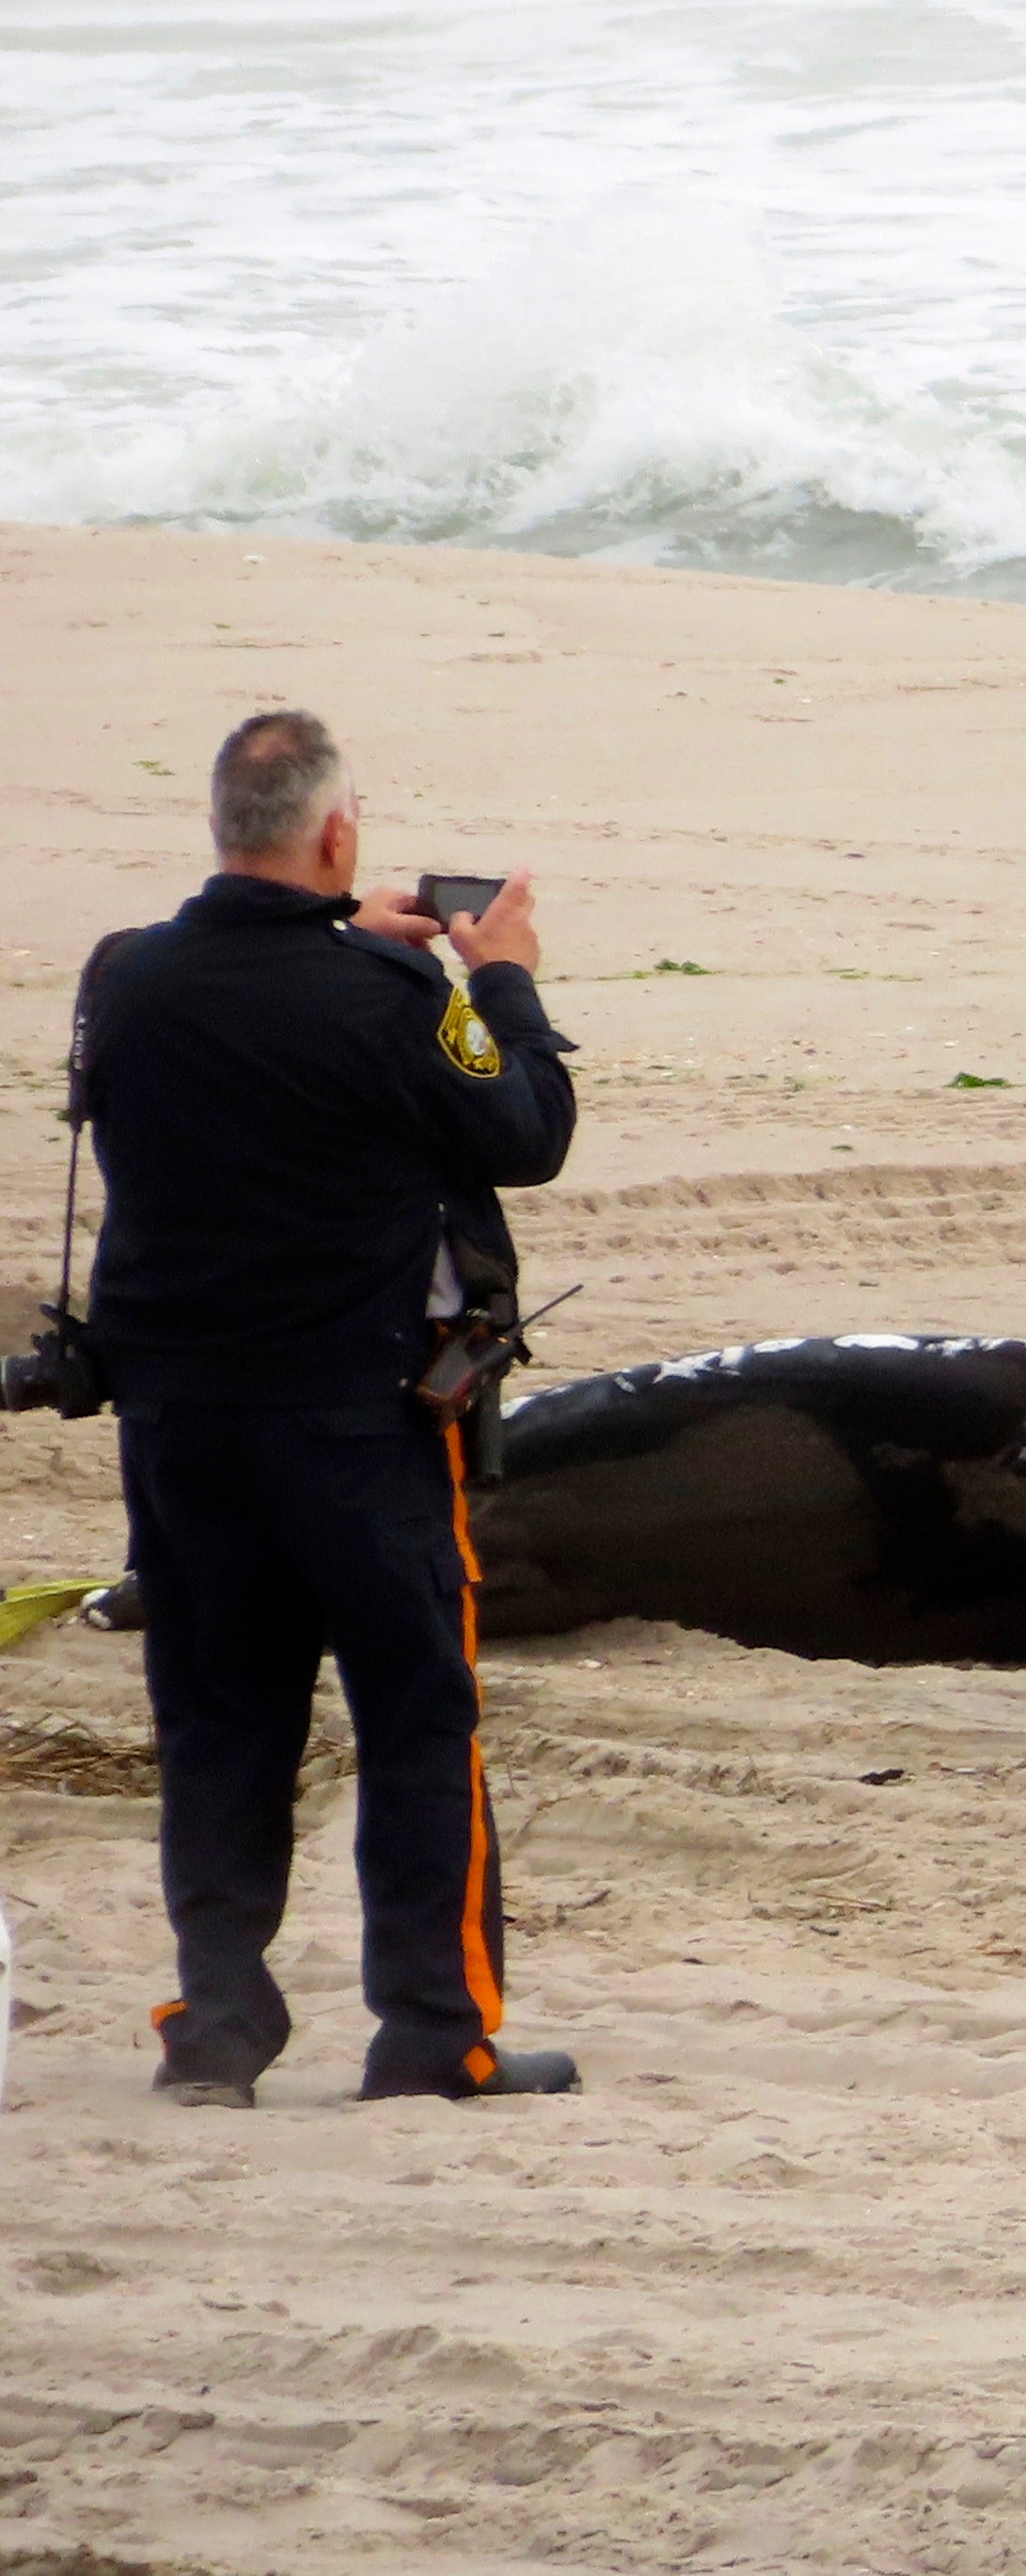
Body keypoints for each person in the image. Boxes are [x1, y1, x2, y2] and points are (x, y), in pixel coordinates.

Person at [75, 709, 579, 2106]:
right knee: (417, 1717)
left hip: (179, 1424)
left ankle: (217, 2031)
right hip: (357, 1428)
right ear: (339, 833)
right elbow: (528, 1132)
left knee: (219, 1722)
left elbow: (244, 987)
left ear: (221, 826)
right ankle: (431, 2035)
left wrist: (342, 926)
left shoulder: (124, 978)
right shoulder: (393, 997)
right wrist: (504, 979)